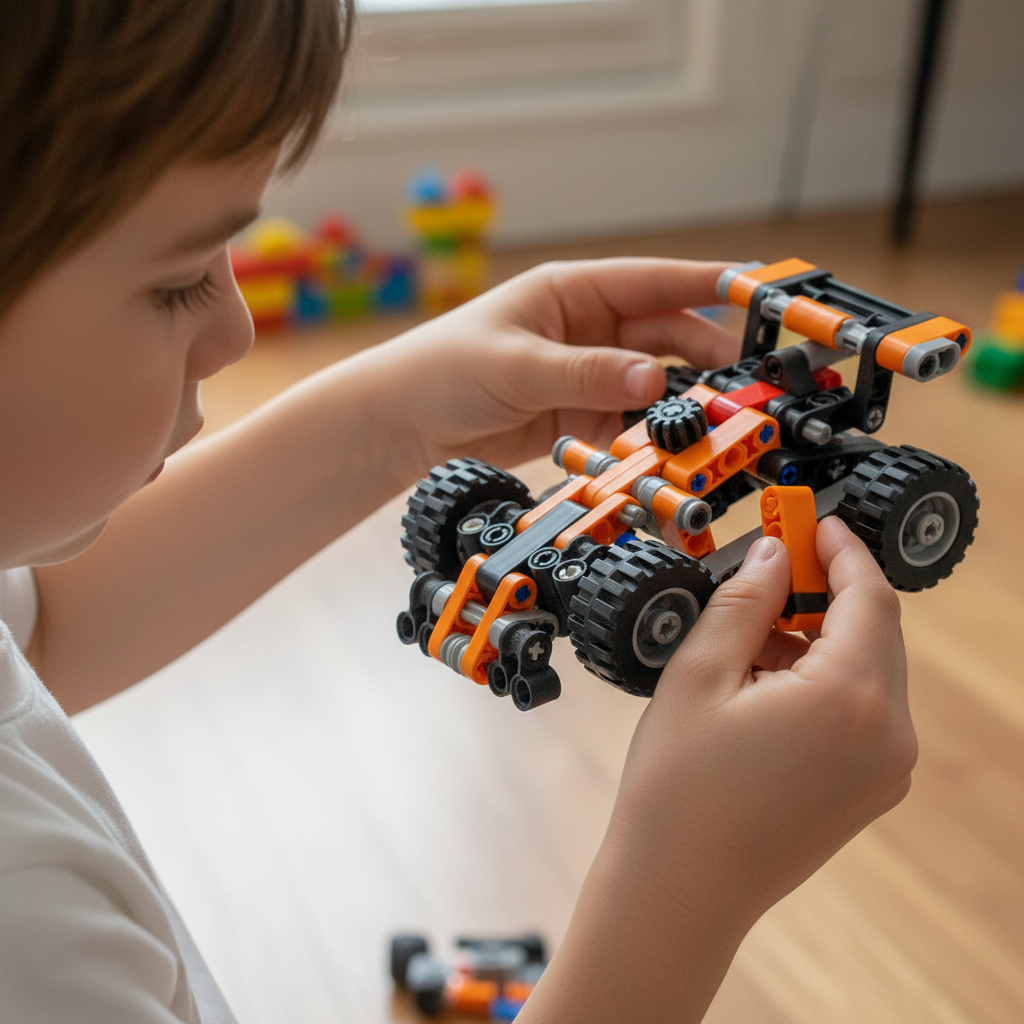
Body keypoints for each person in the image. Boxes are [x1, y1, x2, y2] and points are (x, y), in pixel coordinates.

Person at [0, 1, 916, 1021]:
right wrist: (688, 884)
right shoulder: (25, 928)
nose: (236, 331)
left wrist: (396, 417)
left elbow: (48, 628)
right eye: (177, 283)